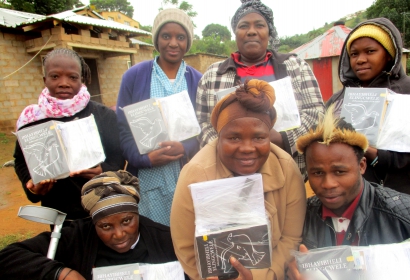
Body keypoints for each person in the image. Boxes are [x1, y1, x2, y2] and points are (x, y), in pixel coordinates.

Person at [171, 80, 306, 280]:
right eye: (233, 138)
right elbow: (185, 247)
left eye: (259, 137)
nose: (247, 148)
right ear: (218, 137)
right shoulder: (197, 173)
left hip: (271, 273)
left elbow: (290, 239)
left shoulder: (287, 169)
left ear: (270, 136)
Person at [0, 170, 215, 280]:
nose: (119, 234)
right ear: (93, 223)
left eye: (127, 221)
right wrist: (65, 276)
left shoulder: (166, 239)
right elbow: (8, 257)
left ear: (137, 213)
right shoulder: (77, 237)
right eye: (105, 226)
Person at [287, 110, 410, 280]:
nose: (328, 184)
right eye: (317, 173)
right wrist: (290, 268)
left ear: (362, 166)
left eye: (340, 171)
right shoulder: (300, 218)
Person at [196, 0, 324, 181]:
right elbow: (202, 121)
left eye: (259, 25)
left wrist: (281, 138)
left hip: (287, 172)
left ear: (269, 31)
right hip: (230, 176)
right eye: (243, 26)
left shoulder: (295, 66)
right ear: (235, 32)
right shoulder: (213, 74)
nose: (251, 31)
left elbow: (317, 113)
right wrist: (229, 148)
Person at [14, 48, 125, 221]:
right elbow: (21, 159)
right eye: (55, 76)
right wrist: (32, 186)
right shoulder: (32, 120)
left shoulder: (103, 115)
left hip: (103, 208)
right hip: (60, 215)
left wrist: (104, 171)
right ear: (45, 80)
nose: (64, 83)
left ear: (82, 80)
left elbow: (118, 156)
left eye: (72, 77)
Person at [326, 17, 410, 200]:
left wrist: (381, 156)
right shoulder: (339, 100)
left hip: (406, 195)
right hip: (354, 198)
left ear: (388, 54)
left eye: (370, 51)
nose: (360, 60)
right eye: (354, 54)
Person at [116, 8, 202, 226]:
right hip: (147, 177)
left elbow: (205, 127)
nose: (173, 43)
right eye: (166, 36)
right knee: (151, 235)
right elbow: (123, 128)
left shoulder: (197, 80)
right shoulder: (134, 76)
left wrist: (186, 147)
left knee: (187, 231)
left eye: (180, 37)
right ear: (156, 39)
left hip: (186, 172)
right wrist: (143, 159)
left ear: (188, 42)